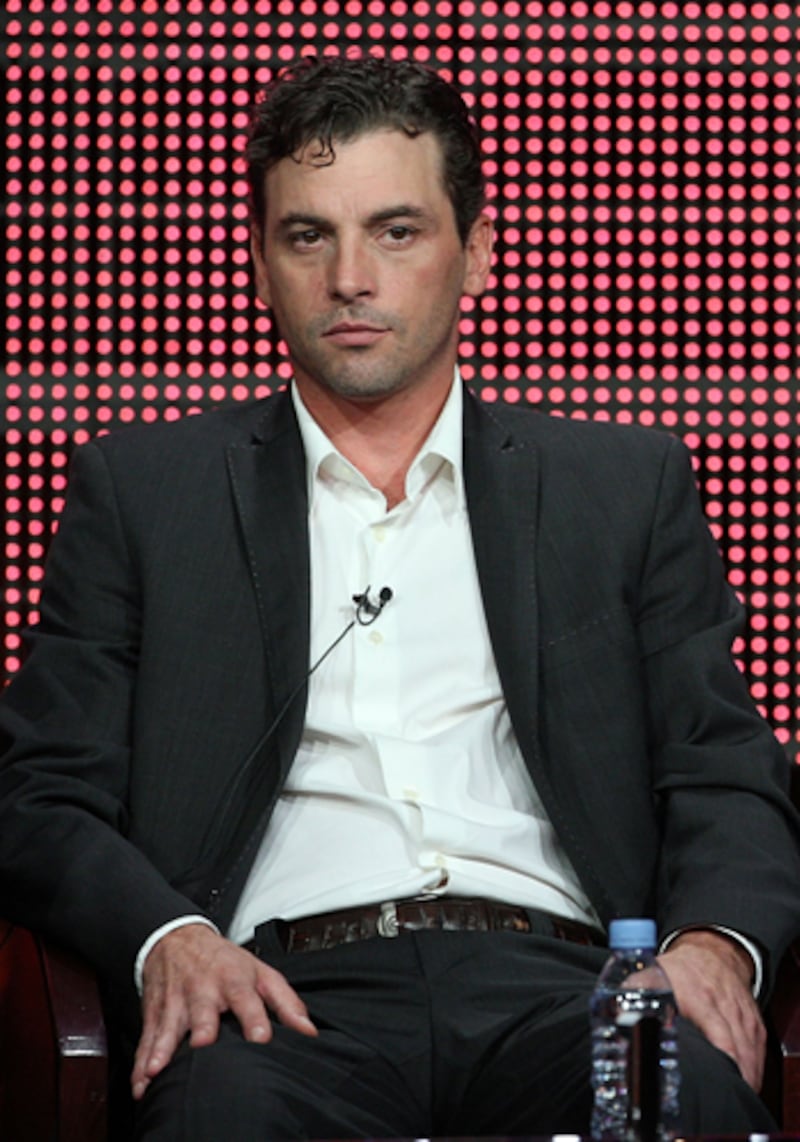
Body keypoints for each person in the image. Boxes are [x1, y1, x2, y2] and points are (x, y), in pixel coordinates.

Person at [0, 53, 798, 1141]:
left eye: (396, 231)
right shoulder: (144, 492)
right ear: (259, 262)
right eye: (307, 235)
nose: (350, 278)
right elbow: (40, 791)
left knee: (681, 1100)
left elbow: (726, 769)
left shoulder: (619, 487)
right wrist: (167, 939)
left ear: (477, 253)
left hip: (566, 986)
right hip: (275, 999)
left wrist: (712, 944)